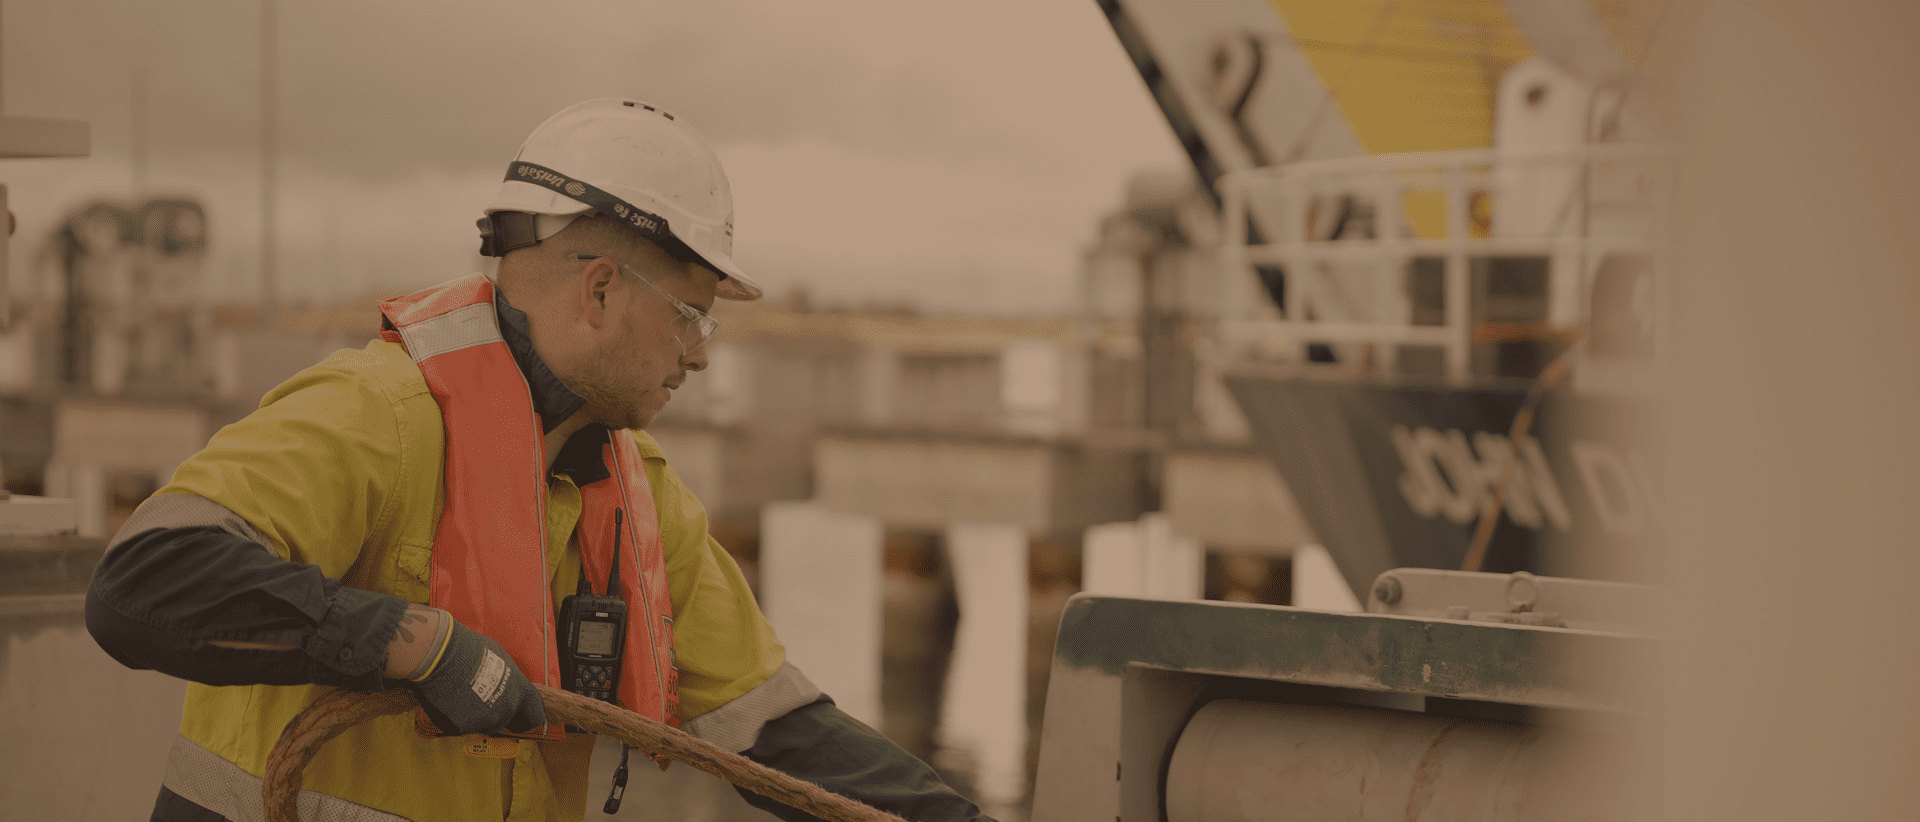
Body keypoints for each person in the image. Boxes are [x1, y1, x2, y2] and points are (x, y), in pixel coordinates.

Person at [86, 98, 995, 822]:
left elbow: (778, 735)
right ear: (600, 290)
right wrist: (413, 645)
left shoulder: (640, 501)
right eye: (692, 316)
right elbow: (146, 581)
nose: (702, 354)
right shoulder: (377, 416)